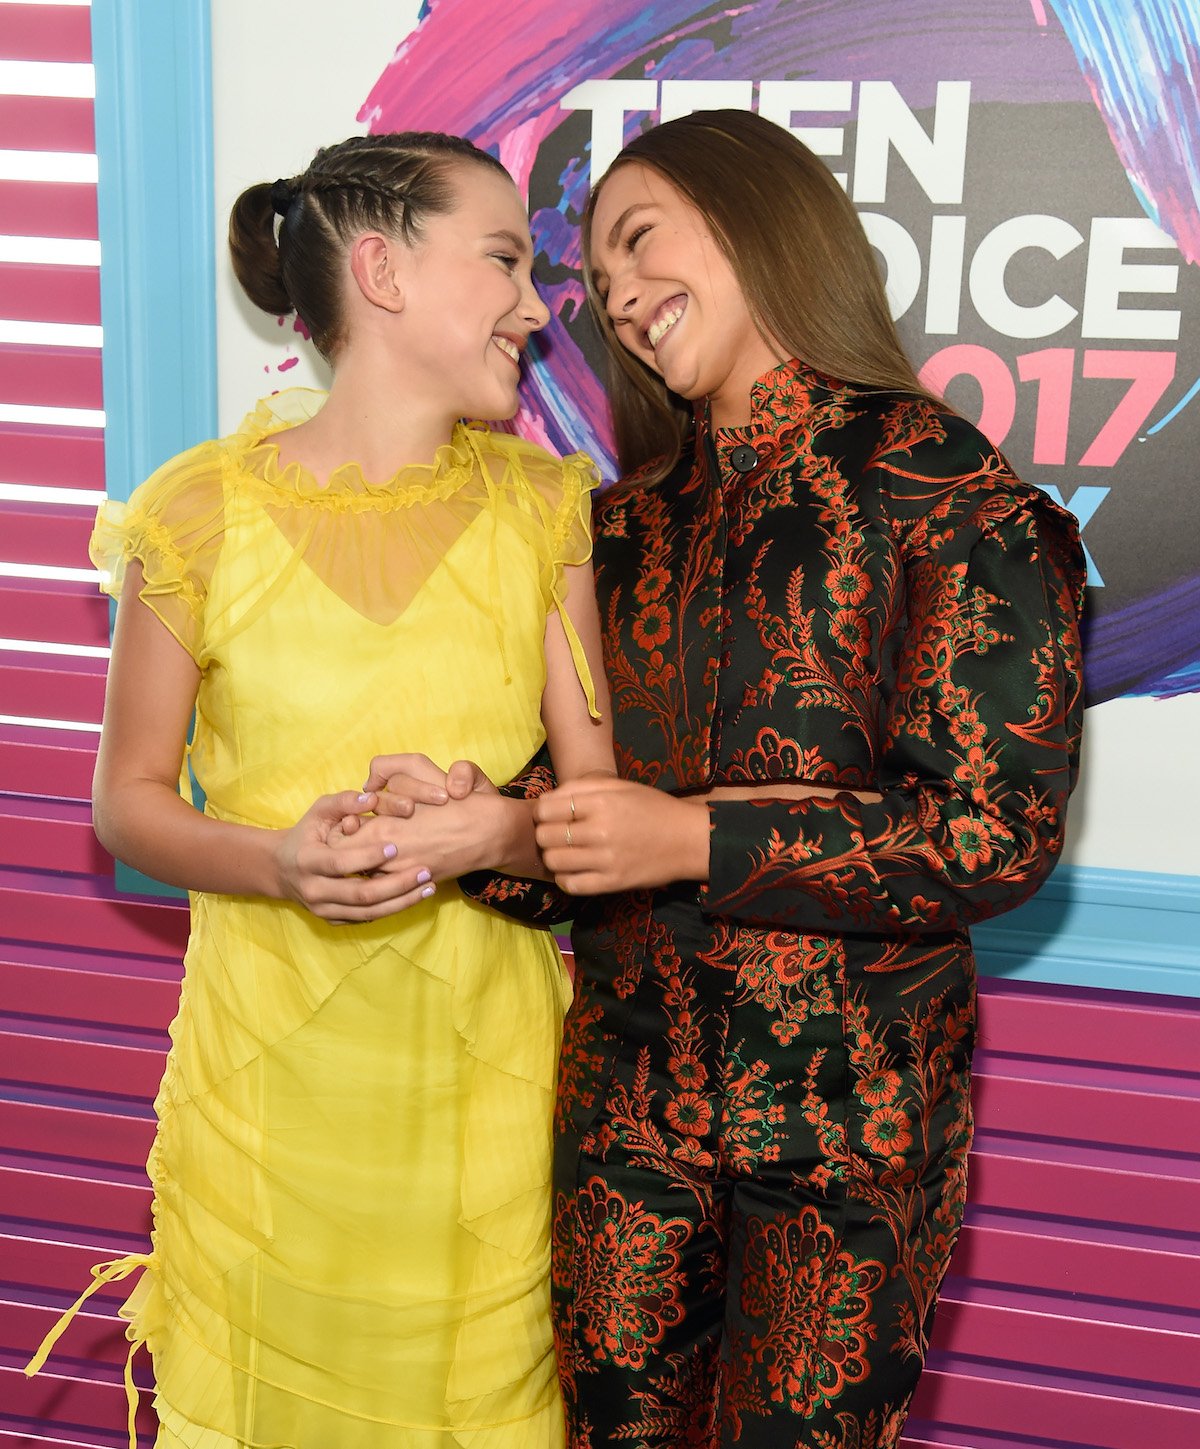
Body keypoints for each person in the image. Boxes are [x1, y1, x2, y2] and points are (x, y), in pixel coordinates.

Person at [360, 110, 1087, 1448]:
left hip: (852, 1136)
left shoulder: (948, 490)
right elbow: (587, 825)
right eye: (599, 282)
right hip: (625, 1124)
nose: (622, 297)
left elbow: (992, 833)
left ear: (759, 220)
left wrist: (688, 838)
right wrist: (482, 826)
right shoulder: (617, 526)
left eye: (642, 241)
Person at [26, 131, 614, 1448]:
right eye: (504, 260)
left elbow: (598, 812)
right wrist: (281, 863)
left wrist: (493, 827)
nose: (536, 306)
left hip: (489, 1117)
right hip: (268, 1117)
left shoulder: (546, 510)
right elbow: (128, 803)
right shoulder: (195, 513)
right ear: (382, 272)